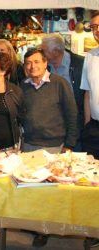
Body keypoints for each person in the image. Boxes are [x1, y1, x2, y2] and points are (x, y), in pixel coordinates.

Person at [21, 48, 78, 155]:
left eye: (36, 62)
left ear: (45, 63)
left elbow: (72, 114)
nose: (32, 66)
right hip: (28, 145)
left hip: (55, 147)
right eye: (28, 63)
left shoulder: (60, 83)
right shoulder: (23, 85)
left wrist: (69, 144)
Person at [41, 33, 85, 150]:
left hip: (76, 126)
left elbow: (86, 96)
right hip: (52, 127)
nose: (41, 53)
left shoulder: (81, 64)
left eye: (43, 50)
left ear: (55, 51)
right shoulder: (44, 67)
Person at [80, 12, 99, 248]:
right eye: (93, 26)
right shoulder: (90, 57)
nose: (96, 30)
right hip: (94, 128)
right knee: (92, 183)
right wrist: (87, 125)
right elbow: (86, 93)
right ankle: (94, 229)